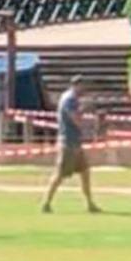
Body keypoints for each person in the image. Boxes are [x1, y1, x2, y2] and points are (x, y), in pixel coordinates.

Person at [41, 75, 100, 213]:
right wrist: (85, 110)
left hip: (75, 141)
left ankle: (90, 204)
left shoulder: (70, 98)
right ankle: (46, 202)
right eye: (83, 86)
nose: (85, 89)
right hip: (68, 142)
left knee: (85, 172)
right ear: (76, 85)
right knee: (60, 174)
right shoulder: (69, 99)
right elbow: (75, 119)